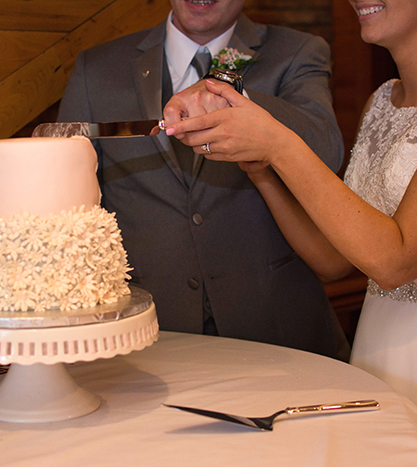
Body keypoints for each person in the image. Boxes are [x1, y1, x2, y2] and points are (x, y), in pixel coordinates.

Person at [166, 0, 417, 465]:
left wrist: (279, 141)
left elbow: (396, 260)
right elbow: (333, 260)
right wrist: (263, 170)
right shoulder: (381, 100)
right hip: (379, 352)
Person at [57, 0, 350, 360]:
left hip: (276, 332)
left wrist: (234, 99)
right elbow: (65, 202)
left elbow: (327, 149)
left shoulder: (296, 52)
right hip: (148, 336)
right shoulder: (96, 68)